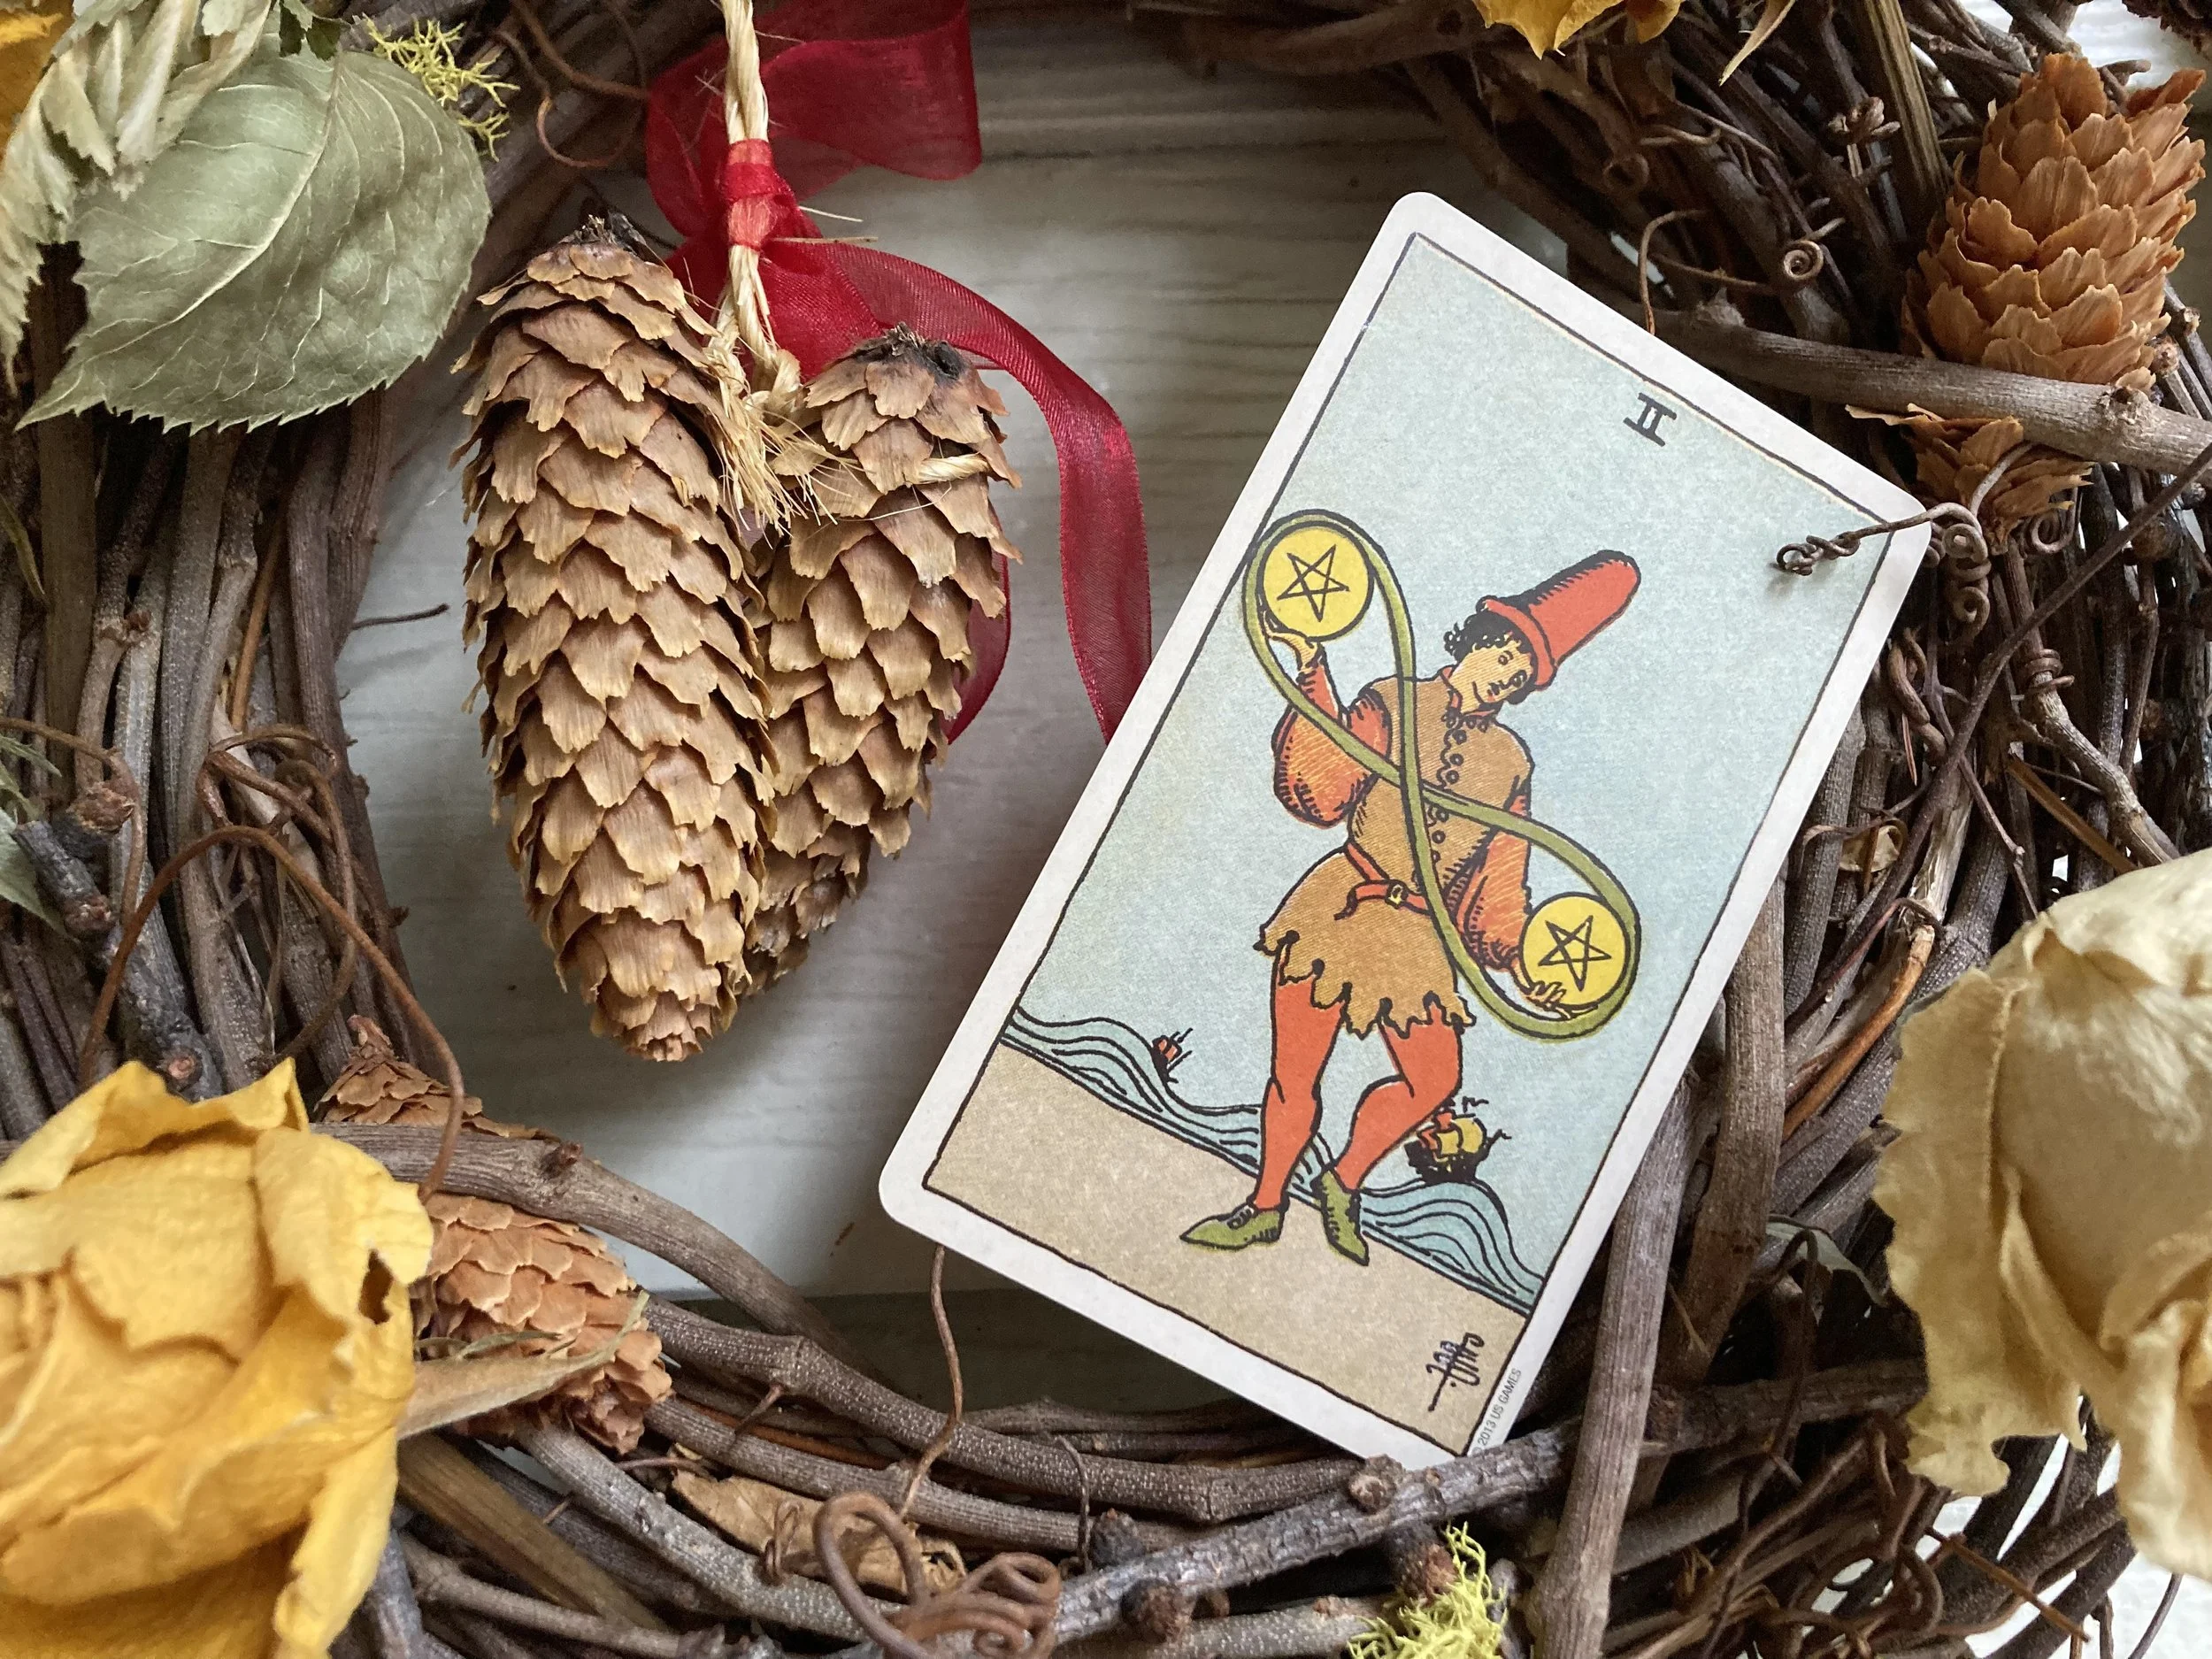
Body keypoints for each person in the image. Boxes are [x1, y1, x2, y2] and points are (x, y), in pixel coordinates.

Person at [1182, 550, 1639, 1263]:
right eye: (1505, 655)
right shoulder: (1391, 699)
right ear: (1478, 638)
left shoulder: (1510, 762)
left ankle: (1343, 1180)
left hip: (1418, 937)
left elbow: (1497, 892)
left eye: (1522, 675)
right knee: (1295, 1075)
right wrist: (1312, 668)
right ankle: (1265, 1204)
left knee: (1435, 1080)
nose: (1507, 676)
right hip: (1338, 908)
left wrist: (1531, 965)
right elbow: (1321, 790)